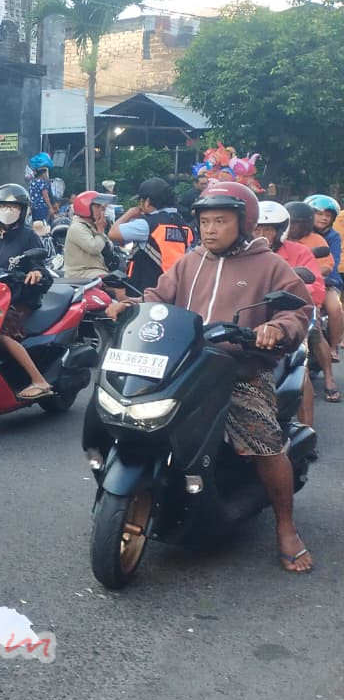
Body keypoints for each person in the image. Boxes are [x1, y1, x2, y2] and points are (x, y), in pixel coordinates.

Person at [106, 181, 313, 573]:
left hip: (240, 371)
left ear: (244, 222)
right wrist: (132, 307)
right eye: (205, 221)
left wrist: (277, 328)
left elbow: (298, 310)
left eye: (221, 220)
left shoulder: (268, 264)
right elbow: (159, 298)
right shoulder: (191, 260)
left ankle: (286, 528)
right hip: (185, 365)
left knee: (264, 441)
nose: (210, 229)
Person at [0, 184, 53, 400]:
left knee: (0, 334)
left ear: (22, 210)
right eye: (4, 205)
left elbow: (41, 267)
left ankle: (39, 380)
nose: (8, 210)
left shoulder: (29, 237)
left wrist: (36, 273)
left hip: (20, 299)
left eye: (13, 206)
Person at [255, 200, 332, 418]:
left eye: (267, 229)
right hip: (249, 318)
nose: (261, 234)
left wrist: (289, 290)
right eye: (256, 228)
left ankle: (307, 431)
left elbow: (316, 290)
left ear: (280, 230)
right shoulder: (239, 253)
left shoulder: (300, 252)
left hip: (291, 316)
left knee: (299, 368)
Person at [108, 177, 195, 294]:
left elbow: (113, 233)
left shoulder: (147, 224)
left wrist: (129, 214)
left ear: (147, 201)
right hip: (175, 288)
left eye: (140, 201)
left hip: (145, 291)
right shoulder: (183, 225)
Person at [303, 194, 343, 362]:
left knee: (335, 308)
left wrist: (323, 278)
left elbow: (331, 262)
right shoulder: (299, 233)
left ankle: (333, 346)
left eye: (328, 215)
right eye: (319, 214)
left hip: (327, 282)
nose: (324, 218)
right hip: (300, 280)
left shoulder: (333, 236)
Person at [64, 190, 117, 281]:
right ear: (85, 207)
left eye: (101, 207)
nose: (101, 210)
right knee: (115, 287)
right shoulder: (77, 227)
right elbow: (94, 248)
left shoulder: (91, 226)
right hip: (82, 274)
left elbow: (109, 246)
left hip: (95, 271)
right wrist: (100, 231)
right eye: (97, 206)